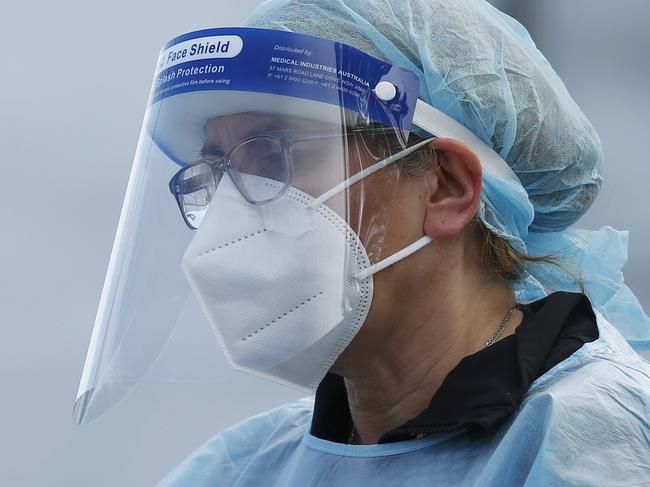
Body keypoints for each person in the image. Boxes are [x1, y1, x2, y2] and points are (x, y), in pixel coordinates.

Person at [73, 0, 650, 485]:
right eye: (214, 173)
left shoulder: (596, 441)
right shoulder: (250, 467)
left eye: (275, 156)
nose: (230, 212)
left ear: (445, 187)